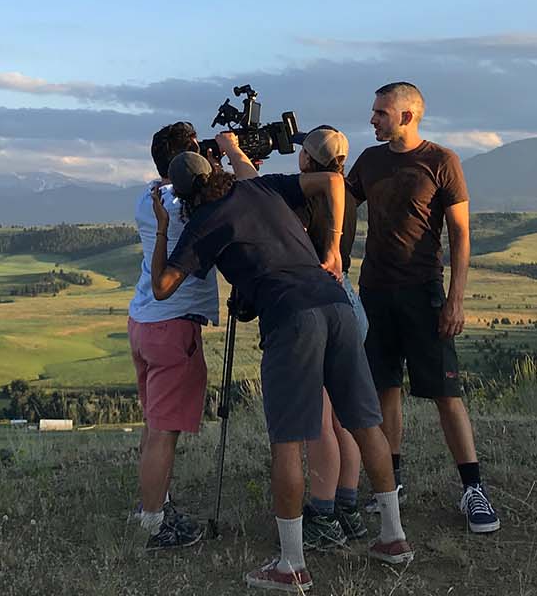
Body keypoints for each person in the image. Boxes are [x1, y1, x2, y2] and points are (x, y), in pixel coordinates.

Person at [152, 136, 412, 593]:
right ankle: (393, 538)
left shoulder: (205, 222)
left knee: (289, 441)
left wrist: (160, 229)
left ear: (184, 196)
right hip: (336, 303)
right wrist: (332, 250)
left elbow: (162, 287)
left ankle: (291, 564)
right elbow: (332, 180)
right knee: (366, 423)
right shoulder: (263, 187)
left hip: (291, 319)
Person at [348, 82, 500, 534]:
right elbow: (336, 205)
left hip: (424, 292)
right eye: (373, 111)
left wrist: (455, 298)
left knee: (444, 394)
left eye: (380, 112)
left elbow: (462, 236)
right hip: (374, 292)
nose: (372, 119)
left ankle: (473, 489)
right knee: (384, 391)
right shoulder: (369, 162)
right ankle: (390, 485)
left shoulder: (442, 162)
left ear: (407, 116)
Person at [126, 121, 224, 550]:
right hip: (174, 324)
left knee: (154, 423)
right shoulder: (190, 206)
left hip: (143, 320)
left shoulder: (148, 199)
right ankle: (154, 522)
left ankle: (153, 505)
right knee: (165, 430)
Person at [277, 126, 370, 551]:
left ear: (308, 162)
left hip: (317, 302)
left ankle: (323, 512)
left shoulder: (305, 199)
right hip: (349, 299)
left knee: (318, 421)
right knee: (344, 417)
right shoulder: (347, 195)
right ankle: (347, 506)